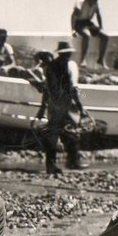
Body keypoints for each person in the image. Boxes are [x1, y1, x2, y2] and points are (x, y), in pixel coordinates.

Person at [32, 41, 89, 174]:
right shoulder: (69, 66)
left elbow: (47, 89)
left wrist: (43, 108)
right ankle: (72, 161)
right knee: (72, 133)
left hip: (54, 105)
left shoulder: (50, 67)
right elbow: (73, 89)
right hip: (67, 104)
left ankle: (51, 165)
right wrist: (81, 108)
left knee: (53, 134)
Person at [71, 0, 109, 69]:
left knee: (105, 36)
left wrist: (101, 27)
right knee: (86, 35)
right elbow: (73, 16)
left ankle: (100, 60)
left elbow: (98, 15)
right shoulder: (81, 2)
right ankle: (82, 60)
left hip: (88, 22)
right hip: (79, 23)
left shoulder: (96, 2)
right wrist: (73, 29)